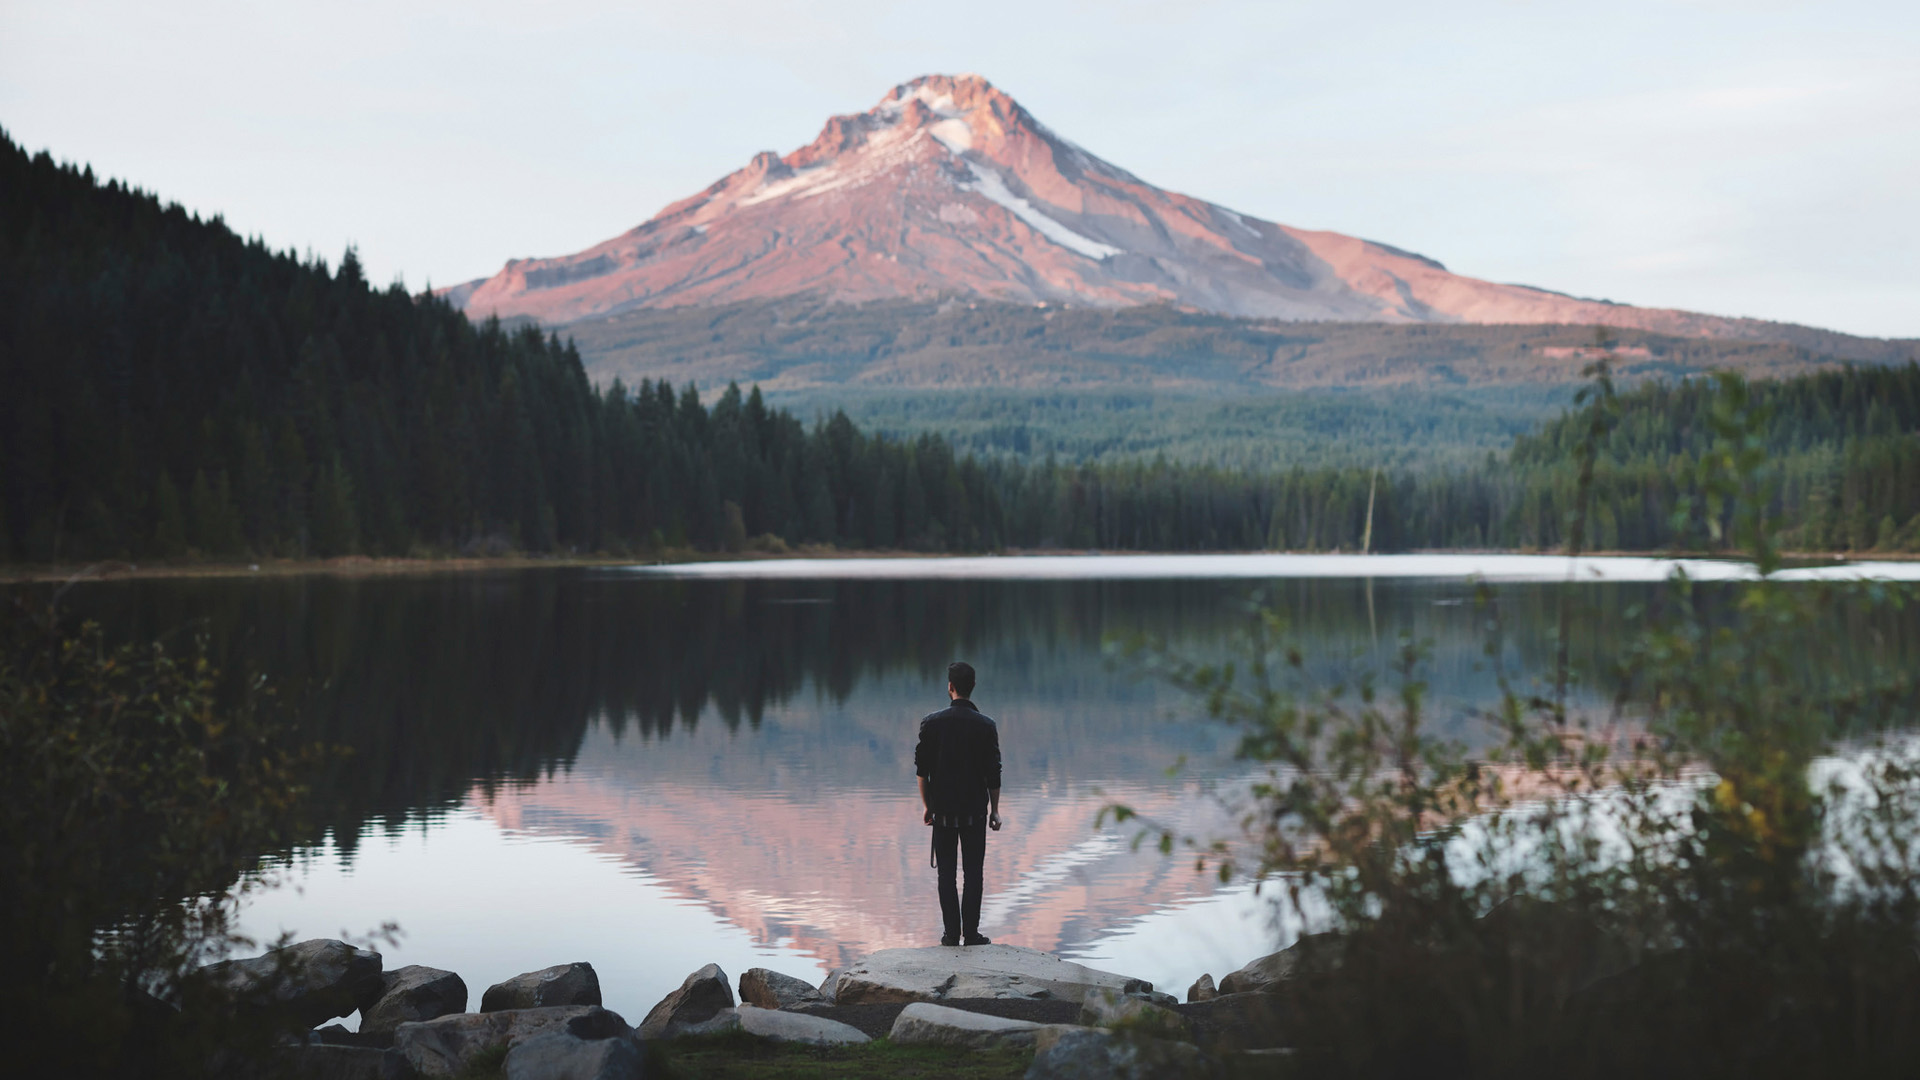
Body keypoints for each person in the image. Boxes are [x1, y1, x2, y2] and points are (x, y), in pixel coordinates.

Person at [914, 661, 1002, 947]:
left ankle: (951, 934)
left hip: (943, 811)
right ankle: (972, 934)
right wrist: (995, 810)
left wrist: (927, 806)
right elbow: (993, 772)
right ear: (972, 687)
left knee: (946, 874)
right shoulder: (986, 725)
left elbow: (921, 770)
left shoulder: (932, 723)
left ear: (950, 687)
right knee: (973, 873)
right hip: (975, 812)